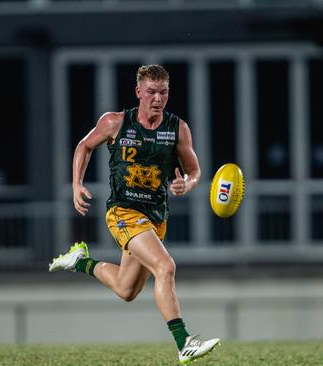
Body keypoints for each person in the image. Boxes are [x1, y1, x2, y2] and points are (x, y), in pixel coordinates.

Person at [48, 65, 220, 364]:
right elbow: (83, 146)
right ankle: (184, 343)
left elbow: (194, 170)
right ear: (138, 92)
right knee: (165, 266)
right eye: (151, 92)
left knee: (126, 289)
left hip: (155, 217)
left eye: (163, 92)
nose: (157, 98)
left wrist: (187, 184)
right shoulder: (115, 122)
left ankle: (80, 261)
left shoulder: (177, 128)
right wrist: (76, 184)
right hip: (123, 211)